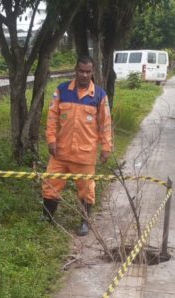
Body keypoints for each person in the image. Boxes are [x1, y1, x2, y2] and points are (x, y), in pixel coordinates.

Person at [41, 55, 113, 236]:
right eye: (81, 71)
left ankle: (85, 222)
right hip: (60, 152)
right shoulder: (62, 90)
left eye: (88, 72)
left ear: (92, 72)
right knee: (50, 184)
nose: (84, 75)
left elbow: (105, 123)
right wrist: (51, 140)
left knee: (86, 189)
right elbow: (52, 117)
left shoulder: (99, 95)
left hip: (85, 154)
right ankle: (47, 217)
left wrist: (106, 147)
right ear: (76, 70)